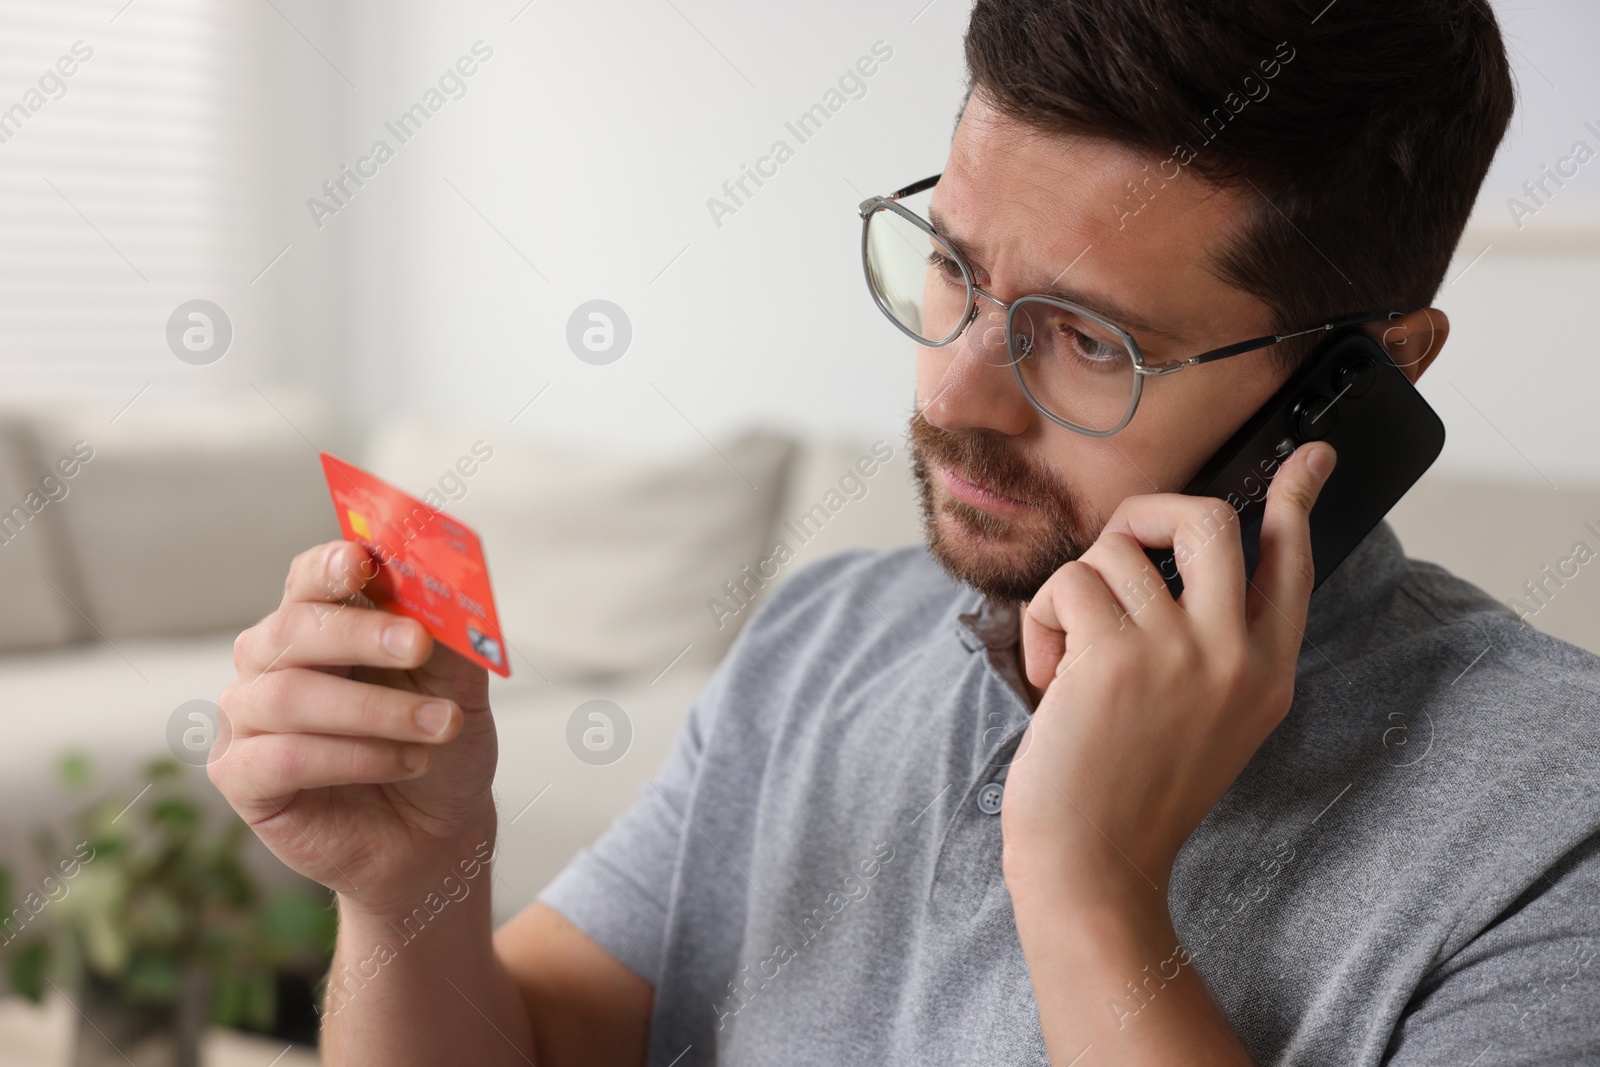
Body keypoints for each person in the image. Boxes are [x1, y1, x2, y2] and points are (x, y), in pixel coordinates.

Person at [212, 1, 1600, 1063]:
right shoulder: (824, 641)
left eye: (1088, 337)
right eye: (951, 265)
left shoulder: (1554, 823)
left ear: (1365, 377)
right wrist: (406, 893)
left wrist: (1090, 892)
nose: (952, 392)